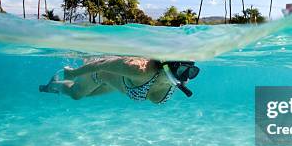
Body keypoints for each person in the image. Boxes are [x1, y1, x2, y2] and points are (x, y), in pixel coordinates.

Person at [39, 56, 199, 104]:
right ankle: (52, 85)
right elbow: (101, 64)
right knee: (76, 94)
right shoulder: (141, 70)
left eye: (192, 72)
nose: (186, 77)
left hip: (117, 83)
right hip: (99, 73)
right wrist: (74, 73)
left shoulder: (180, 79)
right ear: (168, 66)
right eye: (183, 70)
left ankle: (53, 86)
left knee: (86, 95)